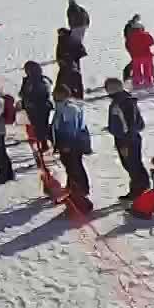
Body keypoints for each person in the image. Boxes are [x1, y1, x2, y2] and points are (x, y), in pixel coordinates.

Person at [50, 85, 95, 214]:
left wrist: (66, 144)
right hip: (67, 143)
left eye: (55, 94)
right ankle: (73, 190)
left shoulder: (69, 109)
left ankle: (80, 193)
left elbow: (71, 129)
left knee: (74, 167)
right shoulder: (62, 106)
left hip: (71, 144)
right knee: (71, 168)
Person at [103, 77, 150, 201]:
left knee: (132, 165)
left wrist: (124, 142)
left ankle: (139, 191)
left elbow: (129, 125)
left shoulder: (121, 103)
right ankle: (141, 188)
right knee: (133, 165)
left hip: (127, 140)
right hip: (128, 138)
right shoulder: (124, 100)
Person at [19, 61, 53, 154]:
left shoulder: (42, 81)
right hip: (31, 108)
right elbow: (22, 92)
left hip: (41, 108)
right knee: (37, 127)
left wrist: (30, 99)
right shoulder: (27, 80)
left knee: (43, 127)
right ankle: (43, 142)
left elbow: (44, 94)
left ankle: (49, 143)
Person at [125, 21, 154, 88]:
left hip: (136, 57)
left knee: (136, 70)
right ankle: (148, 82)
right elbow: (152, 43)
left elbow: (127, 46)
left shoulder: (130, 37)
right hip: (147, 56)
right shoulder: (146, 35)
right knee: (147, 70)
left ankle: (137, 83)